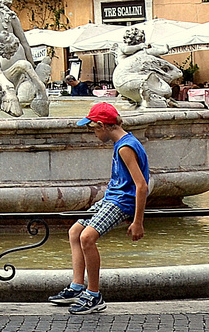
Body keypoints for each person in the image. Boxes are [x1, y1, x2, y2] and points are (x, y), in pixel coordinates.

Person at [47, 102, 147, 315]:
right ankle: (76, 287)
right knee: (75, 232)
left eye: (93, 128)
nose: (92, 133)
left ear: (102, 125)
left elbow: (141, 185)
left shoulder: (125, 147)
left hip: (121, 202)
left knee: (87, 238)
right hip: (112, 198)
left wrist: (138, 221)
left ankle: (94, 295)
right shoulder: (122, 142)